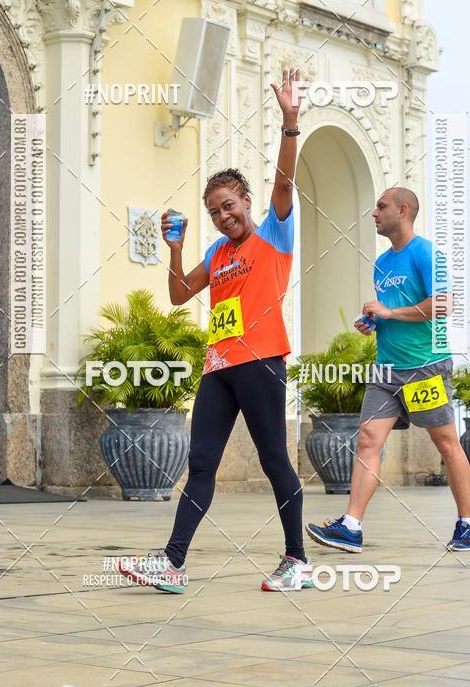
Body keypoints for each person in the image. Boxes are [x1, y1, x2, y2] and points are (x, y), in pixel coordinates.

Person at [118, 67, 314, 593]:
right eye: (215, 211)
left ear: (247, 202)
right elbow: (181, 294)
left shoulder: (274, 231)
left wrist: (289, 121)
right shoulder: (216, 252)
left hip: (263, 361)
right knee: (201, 462)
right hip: (220, 367)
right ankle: (172, 563)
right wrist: (177, 248)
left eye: (230, 205)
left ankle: (297, 560)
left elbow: (284, 180)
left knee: (275, 461)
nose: (224, 215)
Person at [306, 187, 470, 554]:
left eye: (381, 206)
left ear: (403, 210)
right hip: (386, 371)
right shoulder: (381, 263)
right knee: (369, 439)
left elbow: (443, 305)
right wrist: (373, 321)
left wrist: (388, 313)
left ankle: (467, 525)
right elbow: (393, 311)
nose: (374, 213)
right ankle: (351, 527)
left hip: (425, 368)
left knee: (445, 443)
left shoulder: (426, 253)